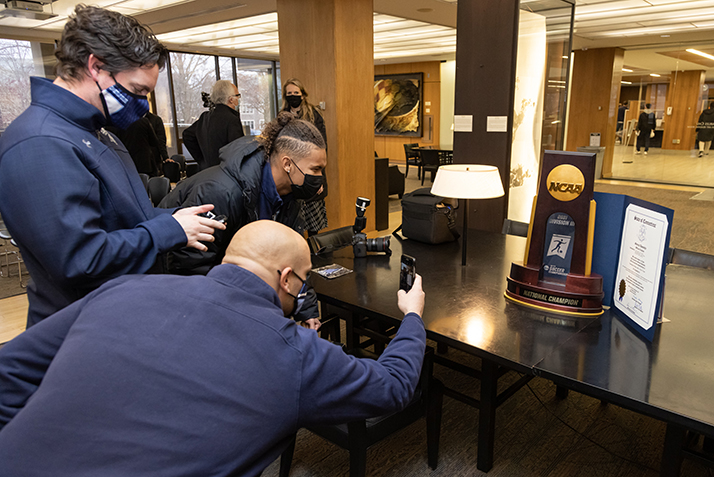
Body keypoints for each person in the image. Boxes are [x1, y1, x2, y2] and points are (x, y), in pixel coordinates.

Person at [0, 220, 427, 476]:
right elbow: (392, 386)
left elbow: (9, 373)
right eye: (303, 282)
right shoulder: (294, 352)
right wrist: (411, 317)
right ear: (286, 280)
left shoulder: (124, 288)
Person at [0, 5, 225, 328]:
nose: (142, 105)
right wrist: (165, 231)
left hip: (121, 317)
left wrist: (173, 219)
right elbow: (80, 260)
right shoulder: (40, 142)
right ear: (96, 66)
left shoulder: (95, 131)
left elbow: (121, 216)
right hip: (82, 333)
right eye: (136, 91)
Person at [160, 111, 325, 326]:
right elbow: (191, 268)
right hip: (180, 299)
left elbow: (293, 259)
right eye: (316, 169)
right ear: (288, 164)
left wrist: (306, 308)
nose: (320, 180)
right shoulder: (220, 192)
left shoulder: (291, 195)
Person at [282, 78, 329, 236]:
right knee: (296, 222)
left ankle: (316, 257)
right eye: (289, 93)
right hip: (291, 173)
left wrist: (319, 178)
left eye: (296, 93)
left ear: (303, 94)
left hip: (310, 170)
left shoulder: (313, 114)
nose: (293, 96)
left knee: (314, 224)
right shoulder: (282, 116)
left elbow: (322, 146)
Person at [182, 80, 244, 170]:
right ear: (231, 99)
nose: (238, 100)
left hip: (207, 172)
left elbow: (187, 135)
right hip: (226, 173)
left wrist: (202, 160)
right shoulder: (232, 120)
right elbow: (238, 150)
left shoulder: (205, 117)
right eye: (237, 96)